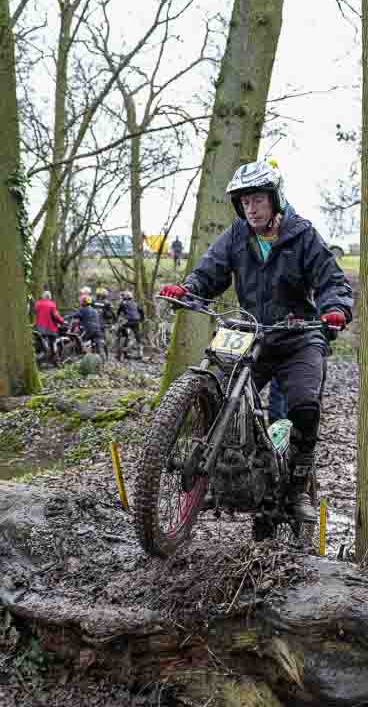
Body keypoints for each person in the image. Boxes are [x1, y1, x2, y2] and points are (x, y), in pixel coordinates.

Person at [160, 159, 353, 519]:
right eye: (244, 202)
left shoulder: (302, 235)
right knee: (219, 393)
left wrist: (336, 310)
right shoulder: (236, 235)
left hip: (299, 335)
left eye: (258, 200)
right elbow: (209, 272)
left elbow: (332, 281)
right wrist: (187, 291)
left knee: (302, 406)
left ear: (275, 199)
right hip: (252, 334)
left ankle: (297, 491)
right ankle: (218, 478)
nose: (251, 208)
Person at [34, 290, 65, 363]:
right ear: (49, 297)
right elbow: (55, 316)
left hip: (40, 328)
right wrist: (62, 321)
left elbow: (36, 313)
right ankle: (56, 360)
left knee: (42, 342)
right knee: (53, 342)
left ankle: (43, 358)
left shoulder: (37, 304)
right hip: (50, 328)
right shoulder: (51, 304)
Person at [116, 290, 145, 358]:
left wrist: (117, 319)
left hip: (128, 320)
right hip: (136, 321)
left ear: (125, 297)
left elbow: (118, 312)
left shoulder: (123, 303)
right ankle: (140, 350)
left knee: (120, 329)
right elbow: (141, 311)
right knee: (137, 334)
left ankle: (121, 346)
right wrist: (142, 319)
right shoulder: (135, 303)